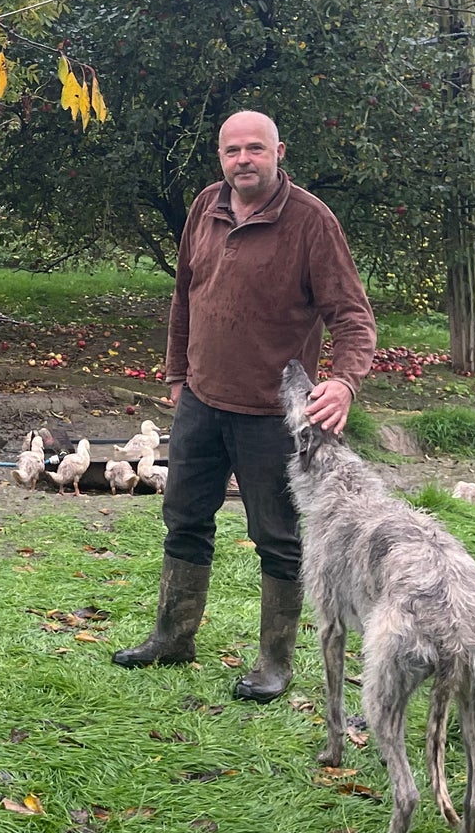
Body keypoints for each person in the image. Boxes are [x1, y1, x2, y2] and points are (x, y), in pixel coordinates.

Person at [113, 110, 376, 700]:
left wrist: (344, 382)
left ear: (279, 152)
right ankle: (172, 638)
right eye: (232, 151)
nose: (243, 160)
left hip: (273, 416)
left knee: (276, 536)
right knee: (184, 519)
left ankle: (274, 664)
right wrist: (177, 374)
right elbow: (185, 295)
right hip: (200, 403)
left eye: (255, 148)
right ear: (220, 156)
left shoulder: (311, 222)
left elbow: (352, 316)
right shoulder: (206, 206)